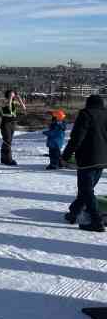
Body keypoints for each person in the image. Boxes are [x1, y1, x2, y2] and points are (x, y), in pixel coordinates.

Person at [62, 95, 107, 232]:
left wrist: (65, 156)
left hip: (87, 159)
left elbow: (77, 138)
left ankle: (96, 221)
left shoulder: (86, 114)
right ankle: (74, 212)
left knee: (87, 190)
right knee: (86, 190)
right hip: (103, 159)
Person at [0, 90, 25, 166]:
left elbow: (23, 106)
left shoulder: (13, 102)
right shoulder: (4, 101)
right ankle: (8, 159)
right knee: (7, 140)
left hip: (12, 122)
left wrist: (18, 97)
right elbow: (9, 106)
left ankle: (4, 158)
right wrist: (11, 97)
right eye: (11, 94)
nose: (13, 95)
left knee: (8, 140)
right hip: (6, 122)